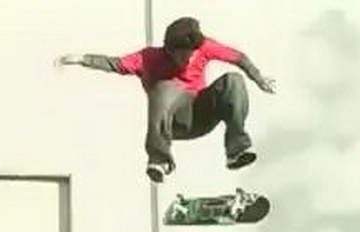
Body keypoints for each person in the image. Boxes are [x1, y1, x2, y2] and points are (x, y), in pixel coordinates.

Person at [55, 16, 276, 183]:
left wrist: (259, 79)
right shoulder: (148, 58)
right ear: (169, 50)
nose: (188, 60)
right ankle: (159, 159)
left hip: (202, 115)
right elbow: (115, 64)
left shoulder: (204, 47)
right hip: (173, 122)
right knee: (165, 87)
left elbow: (238, 58)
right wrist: (80, 59)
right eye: (182, 55)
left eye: (191, 54)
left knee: (234, 80)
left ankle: (236, 150)